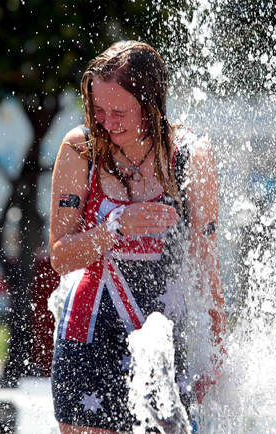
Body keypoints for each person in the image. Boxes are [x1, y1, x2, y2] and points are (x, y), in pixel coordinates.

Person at [49, 41, 224, 433]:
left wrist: (216, 350)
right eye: (98, 109)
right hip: (89, 327)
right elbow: (61, 256)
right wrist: (114, 228)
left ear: (152, 104)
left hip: (161, 334)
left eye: (120, 111)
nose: (107, 122)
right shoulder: (81, 150)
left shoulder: (191, 156)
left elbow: (205, 262)